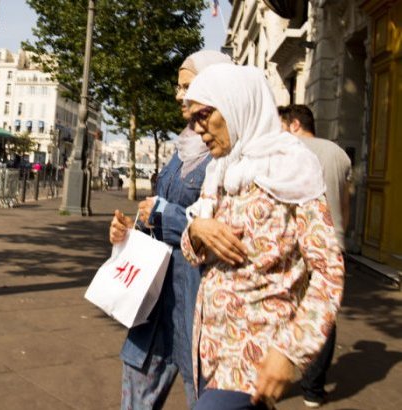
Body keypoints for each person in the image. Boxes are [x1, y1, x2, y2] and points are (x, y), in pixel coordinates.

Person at [180, 64, 344, 409]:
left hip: (254, 359)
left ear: (236, 103)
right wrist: (196, 230)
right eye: (193, 120)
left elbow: (329, 272)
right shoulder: (221, 170)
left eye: (204, 116)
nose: (197, 129)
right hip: (209, 351)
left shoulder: (291, 165)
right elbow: (192, 253)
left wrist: (291, 350)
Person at [109, 49, 231, 409]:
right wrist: (131, 230)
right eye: (178, 87)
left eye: (188, 86)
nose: (179, 95)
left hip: (198, 305)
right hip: (155, 301)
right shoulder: (182, 148)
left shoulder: (225, 151)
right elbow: (158, 212)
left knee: (205, 397)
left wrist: (166, 214)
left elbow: (224, 230)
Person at [278, 104, 352, 408]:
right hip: (331, 242)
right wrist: (338, 238)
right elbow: (345, 205)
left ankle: (276, 373)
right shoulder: (338, 154)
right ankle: (313, 389)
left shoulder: (285, 150)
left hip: (295, 243)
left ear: (295, 125)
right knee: (324, 315)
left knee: (282, 306)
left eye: (282, 125)